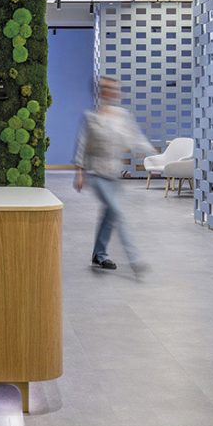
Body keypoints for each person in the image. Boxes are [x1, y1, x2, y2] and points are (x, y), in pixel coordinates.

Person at [74, 75, 156, 276]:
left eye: (115, 89)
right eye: (108, 88)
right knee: (117, 212)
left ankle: (99, 254)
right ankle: (135, 260)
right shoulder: (91, 118)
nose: (112, 92)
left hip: (114, 175)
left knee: (109, 215)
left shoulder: (123, 116)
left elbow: (136, 138)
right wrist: (79, 173)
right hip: (97, 174)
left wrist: (152, 152)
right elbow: (83, 146)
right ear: (101, 91)